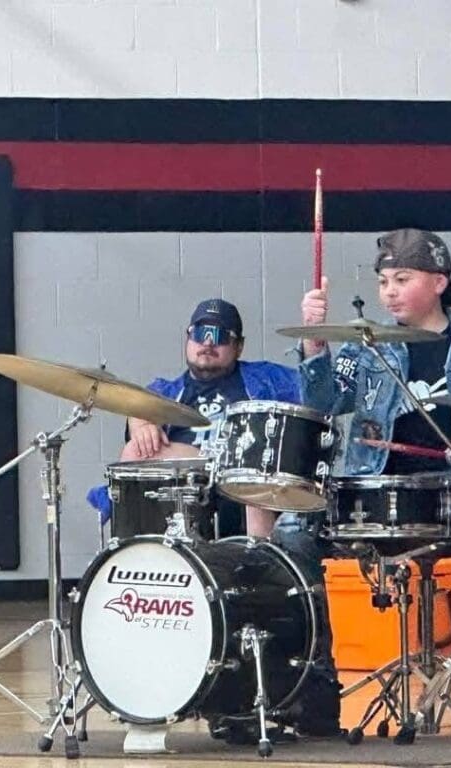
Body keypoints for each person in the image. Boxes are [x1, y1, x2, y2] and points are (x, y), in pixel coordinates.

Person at [298, 229, 451, 746]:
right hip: (375, 480)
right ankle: (309, 678)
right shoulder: (363, 350)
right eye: (383, 280)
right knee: (293, 526)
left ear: (439, 281)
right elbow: (323, 402)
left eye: (402, 279)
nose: (389, 291)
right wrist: (314, 342)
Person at [86, 298, 341, 739]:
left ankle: (264, 573)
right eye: (199, 335)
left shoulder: (270, 380)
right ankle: (136, 575)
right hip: (190, 511)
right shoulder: (164, 392)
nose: (208, 345)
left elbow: (319, 400)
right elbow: (138, 418)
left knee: (256, 476)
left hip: (257, 504)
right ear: (185, 339)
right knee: (135, 453)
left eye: (220, 337)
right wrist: (137, 416)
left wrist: (314, 342)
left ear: (238, 345)